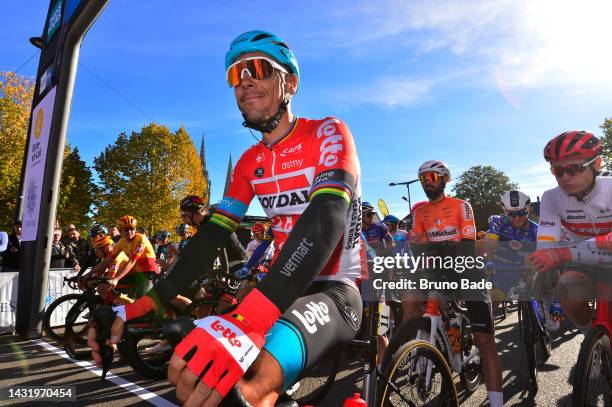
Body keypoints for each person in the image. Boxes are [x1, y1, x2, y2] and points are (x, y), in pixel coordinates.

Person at [89, 30, 364, 407]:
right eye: (236, 75)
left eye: (258, 69)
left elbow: (324, 221)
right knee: (194, 377)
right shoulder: (250, 164)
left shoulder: (328, 132)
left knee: (246, 386)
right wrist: (137, 307)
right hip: (280, 289)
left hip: (335, 289)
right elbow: (207, 241)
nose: (245, 80)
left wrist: (249, 317)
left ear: (291, 83)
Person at [407, 160, 503, 407]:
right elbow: (417, 247)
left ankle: (496, 403)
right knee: (410, 298)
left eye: (432, 177)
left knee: (485, 341)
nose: (427, 182)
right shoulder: (419, 212)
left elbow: (467, 244)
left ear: (444, 179)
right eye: (423, 179)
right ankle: (419, 347)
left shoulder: (462, 206)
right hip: (439, 271)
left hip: (467, 273)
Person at [527, 131, 612, 336]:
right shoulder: (551, 198)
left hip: (586, 255)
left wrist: (564, 254)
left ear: (597, 163)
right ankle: (592, 342)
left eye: (574, 168)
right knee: (565, 288)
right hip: (583, 263)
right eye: (557, 170)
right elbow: (546, 245)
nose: (565, 177)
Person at [484, 190, 543, 319]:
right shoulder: (499, 222)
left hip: (527, 264)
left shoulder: (537, 229)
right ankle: (486, 328)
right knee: (495, 299)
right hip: (504, 265)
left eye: (521, 213)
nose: (517, 218)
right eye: (512, 214)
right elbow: (490, 244)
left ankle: (541, 310)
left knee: (536, 285)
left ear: (528, 210)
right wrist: (489, 260)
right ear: (506, 212)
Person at [90, 215, 159, 298]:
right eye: (126, 229)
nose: (129, 231)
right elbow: (108, 259)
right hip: (137, 273)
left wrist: (116, 279)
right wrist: (89, 274)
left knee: (142, 302)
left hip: (149, 273)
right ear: (120, 231)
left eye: (132, 228)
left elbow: (132, 261)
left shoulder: (141, 239)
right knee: (104, 286)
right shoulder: (121, 242)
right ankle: (117, 307)